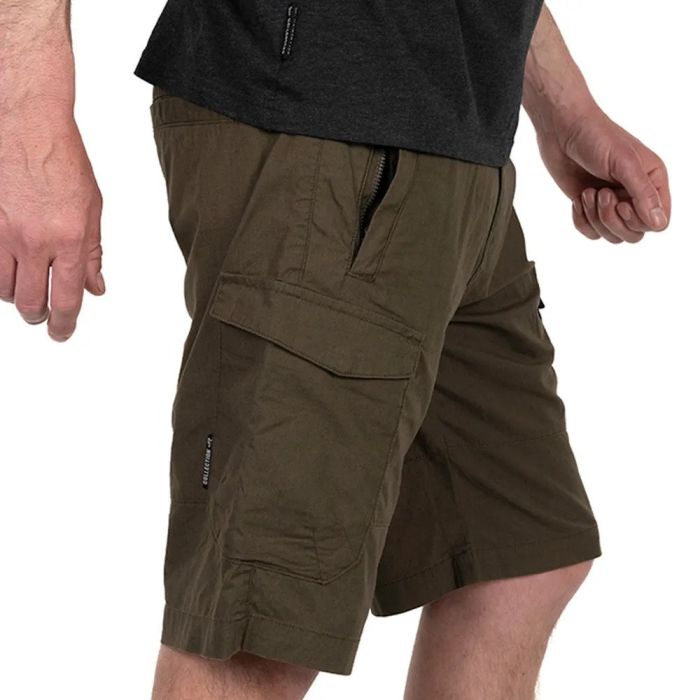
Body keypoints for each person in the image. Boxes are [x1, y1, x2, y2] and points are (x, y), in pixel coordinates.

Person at [0, 1, 671, 698]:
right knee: (263, 624)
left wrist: (566, 109)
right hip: (323, 125)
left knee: (517, 556)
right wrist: (26, 113)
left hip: (461, 135)